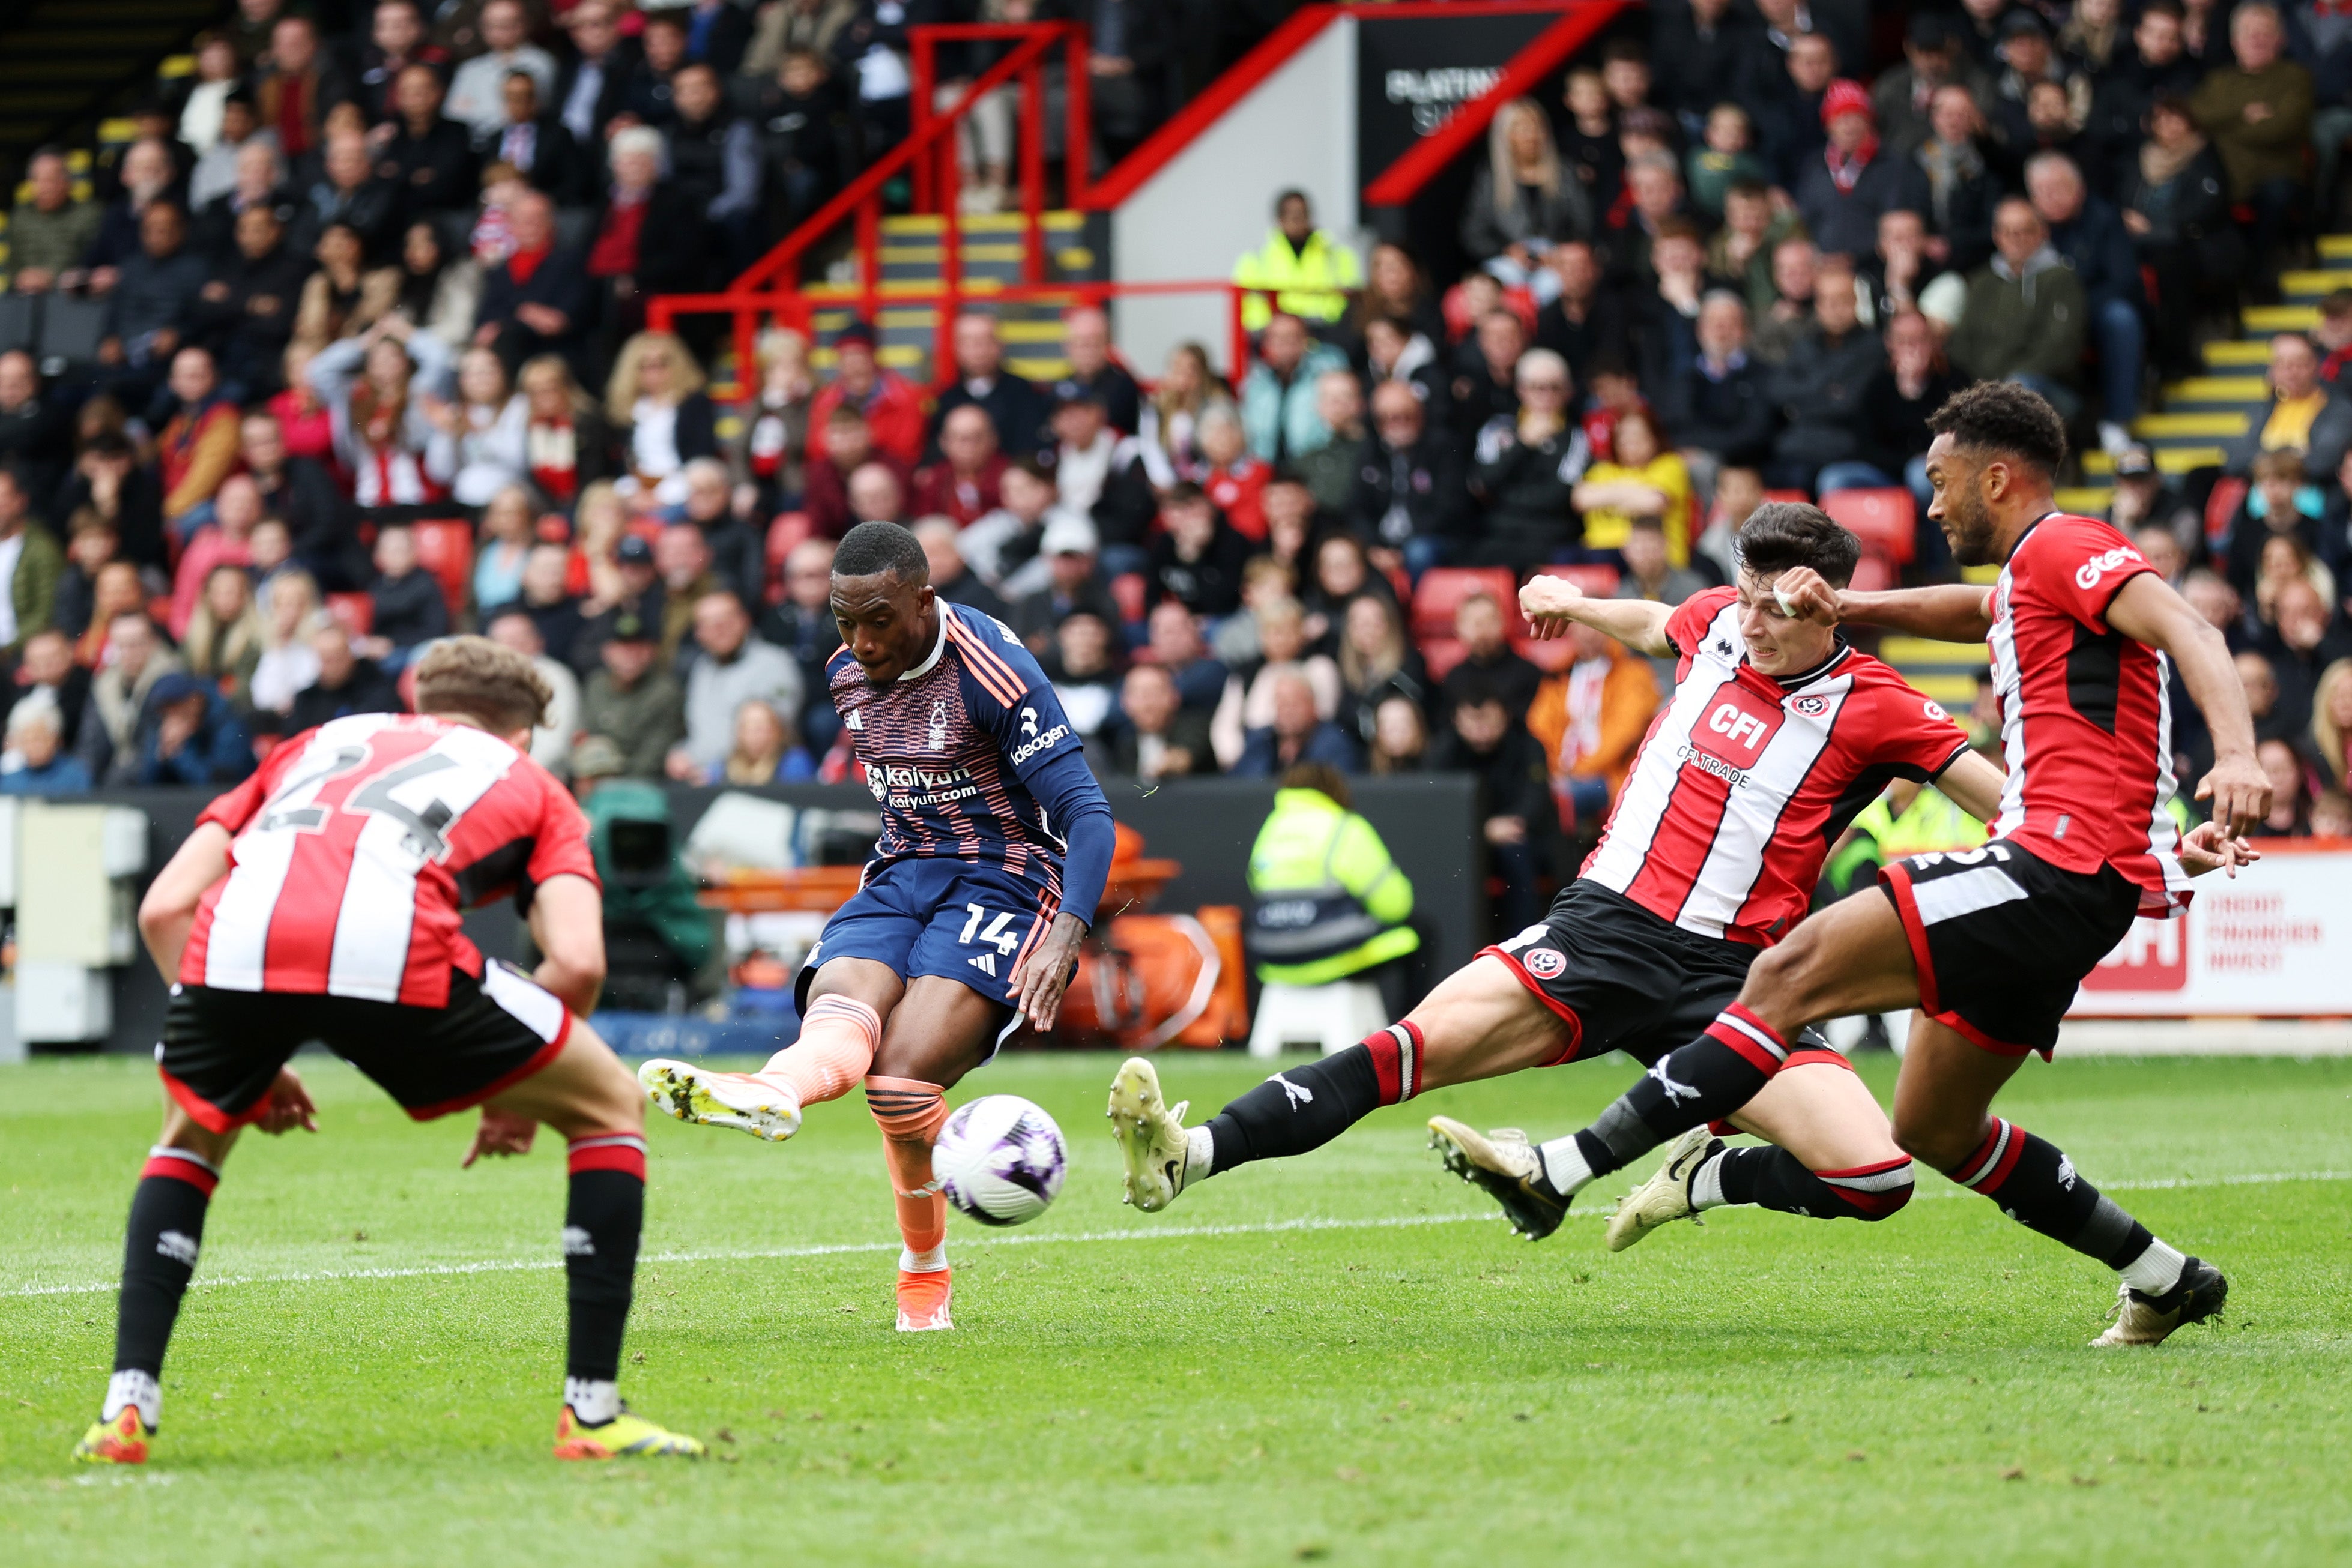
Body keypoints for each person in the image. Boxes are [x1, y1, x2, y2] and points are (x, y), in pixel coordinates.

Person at [1460, 384, 2266, 1345]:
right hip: (2082, 878)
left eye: (1940, 481)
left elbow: (2193, 630)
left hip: (2047, 867)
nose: (1930, 504)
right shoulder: (2025, 587)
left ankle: (1561, 1168)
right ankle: (2162, 1277)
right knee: (1930, 1129)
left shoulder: (2063, 544)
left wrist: (2241, 757)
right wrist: (1851, 604)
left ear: (1996, 477)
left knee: (1780, 976)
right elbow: (1977, 611)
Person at [1104, 502, 2016, 1243]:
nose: (1750, 621)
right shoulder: (1716, 629)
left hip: (1740, 983)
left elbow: (2000, 800)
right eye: (1743, 596)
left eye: (1776, 607)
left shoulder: (1881, 707)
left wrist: (2095, 847)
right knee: (1405, 1054)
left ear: (1829, 605)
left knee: (1877, 1178)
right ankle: (1192, 1153)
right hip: (1604, 930)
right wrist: (1578, 605)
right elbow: (1656, 621)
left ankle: (1709, 1173)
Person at [73, 637, 702, 1466]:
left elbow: (164, 910)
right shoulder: (533, 784)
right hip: (395, 949)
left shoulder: (313, 745)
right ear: (521, 736)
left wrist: (244, 1054)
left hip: (235, 945)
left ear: (416, 708)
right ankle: (591, 1413)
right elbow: (579, 960)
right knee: (609, 1106)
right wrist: (515, 1095)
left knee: (189, 1137)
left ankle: (125, 1407)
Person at [638, 521, 1113, 1333]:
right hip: (901, 871)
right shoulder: (844, 674)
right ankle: (774, 1091)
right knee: (840, 1001)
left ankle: (921, 1273)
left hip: (1003, 881)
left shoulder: (992, 671)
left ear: (923, 601)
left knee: (897, 1083)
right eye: (843, 622)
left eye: (879, 621)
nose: (860, 643)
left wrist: (1067, 932)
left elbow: (1087, 813)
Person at [1242, 761, 1418, 995]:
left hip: (1273, 960)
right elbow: (1397, 906)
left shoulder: (1270, 828)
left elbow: (1256, 887)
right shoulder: (1344, 826)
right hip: (1330, 958)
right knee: (1419, 933)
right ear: (1336, 789)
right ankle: (1412, 1030)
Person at [1948, 201, 2088, 418]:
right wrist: (1986, 387)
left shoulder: (2061, 278)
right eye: (2008, 232)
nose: (2016, 239)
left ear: (2042, 232)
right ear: (1996, 235)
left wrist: (2006, 386)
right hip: (1986, 388)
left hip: (2047, 389)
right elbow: (1963, 343)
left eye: (2025, 231)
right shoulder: (1981, 281)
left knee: (2022, 389)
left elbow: (2061, 347)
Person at [668, 591, 802, 782]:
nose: (719, 629)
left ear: (745, 620)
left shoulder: (775, 663)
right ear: (698, 633)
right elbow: (699, 731)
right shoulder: (702, 668)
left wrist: (714, 770)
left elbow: (771, 735)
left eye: (726, 621)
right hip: (702, 775)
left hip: (758, 777)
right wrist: (682, 755)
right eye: (709, 624)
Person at [1232, 189, 1362, 333]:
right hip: (1274, 335)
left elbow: (1350, 295)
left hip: (1324, 331)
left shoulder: (1336, 255)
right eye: (1291, 214)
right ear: (1279, 219)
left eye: (1302, 213)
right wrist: (1272, 328)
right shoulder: (1255, 259)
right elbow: (1247, 305)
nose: (1297, 219)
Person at [581, 612, 686, 779]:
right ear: (606, 652)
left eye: (638, 647)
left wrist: (615, 783)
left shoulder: (665, 692)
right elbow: (587, 737)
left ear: (651, 651)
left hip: (645, 782)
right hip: (597, 774)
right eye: (622, 647)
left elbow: (654, 756)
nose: (630, 655)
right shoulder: (596, 685)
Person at [1231, 668, 1361, 777]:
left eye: (1294, 704)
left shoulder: (1335, 744)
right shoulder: (1260, 741)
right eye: (1282, 704)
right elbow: (1239, 788)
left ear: (1313, 706)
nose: (1287, 711)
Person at [1106, 662, 1212, 781]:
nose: (1147, 704)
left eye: (1155, 693)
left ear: (1174, 697)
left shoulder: (1195, 725)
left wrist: (1166, 764)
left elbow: (1185, 756)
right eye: (1138, 694)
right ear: (1124, 702)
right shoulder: (1124, 742)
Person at [1, 695, 92, 796]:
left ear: (55, 738)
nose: (33, 746)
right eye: (27, 740)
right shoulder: (9, 783)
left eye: (39, 739)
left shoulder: (76, 777)